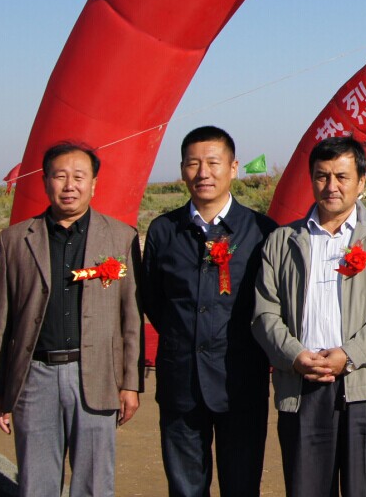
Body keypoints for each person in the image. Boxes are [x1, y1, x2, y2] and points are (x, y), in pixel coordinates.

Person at [0, 141, 144, 497]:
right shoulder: (14, 240)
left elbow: (131, 318)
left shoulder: (121, 238)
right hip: (34, 378)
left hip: (97, 376)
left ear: (94, 184)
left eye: (79, 177)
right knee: (35, 485)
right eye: (60, 176)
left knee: (95, 485)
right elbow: (1, 322)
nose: (69, 185)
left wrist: (130, 384)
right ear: (45, 182)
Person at [252, 135, 366, 496]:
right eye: (322, 176)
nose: (331, 186)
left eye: (342, 176)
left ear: (361, 182)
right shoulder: (282, 241)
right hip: (302, 384)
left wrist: (349, 355)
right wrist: (295, 356)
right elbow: (265, 313)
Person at [141, 126, 277, 496]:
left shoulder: (261, 231)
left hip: (240, 381)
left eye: (213, 163)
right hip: (180, 383)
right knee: (185, 487)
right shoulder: (163, 231)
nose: (203, 172)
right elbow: (153, 300)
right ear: (182, 170)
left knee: (241, 485)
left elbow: (271, 302)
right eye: (193, 163)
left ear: (233, 168)